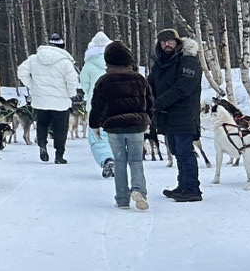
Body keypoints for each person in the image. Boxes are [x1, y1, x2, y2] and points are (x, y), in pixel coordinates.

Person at [87, 39, 152, 210]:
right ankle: (139, 191)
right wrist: (148, 120)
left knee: (119, 161)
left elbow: (98, 106)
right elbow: (149, 102)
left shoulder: (104, 81)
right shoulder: (139, 79)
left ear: (108, 60)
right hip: (137, 126)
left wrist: (95, 125)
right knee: (136, 160)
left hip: (114, 127)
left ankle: (122, 198)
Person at [150, 28, 205, 201]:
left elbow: (183, 88)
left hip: (185, 115)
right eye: (163, 41)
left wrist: (156, 104)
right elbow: (150, 84)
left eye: (170, 41)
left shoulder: (188, 62)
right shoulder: (160, 64)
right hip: (167, 116)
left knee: (185, 151)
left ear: (177, 42)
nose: (167, 44)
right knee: (176, 151)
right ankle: (182, 185)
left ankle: (192, 189)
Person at [17, 33, 80, 164]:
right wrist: (71, 93)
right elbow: (72, 80)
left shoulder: (34, 58)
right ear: (62, 47)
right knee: (60, 128)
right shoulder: (65, 62)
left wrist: (32, 86)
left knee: (42, 123)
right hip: (61, 101)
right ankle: (59, 155)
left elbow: (21, 71)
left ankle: (42, 145)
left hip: (41, 100)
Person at [79, 31, 114, 177]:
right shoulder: (115, 62)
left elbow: (84, 83)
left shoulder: (89, 63)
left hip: (96, 105)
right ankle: (117, 159)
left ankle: (106, 160)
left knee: (97, 136)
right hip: (116, 104)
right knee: (115, 134)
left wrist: (90, 94)